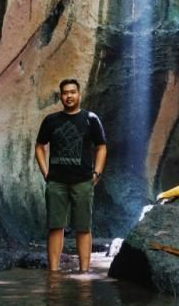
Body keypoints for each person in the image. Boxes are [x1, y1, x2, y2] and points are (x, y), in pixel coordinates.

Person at [35, 78, 107, 272]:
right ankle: (54, 272)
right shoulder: (51, 121)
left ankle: (84, 272)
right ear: (61, 96)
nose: (69, 96)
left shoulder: (90, 119)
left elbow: (101, 147)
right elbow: (40, 147)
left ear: (79, 95)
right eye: (65, 93)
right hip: (56, 181)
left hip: (83, 181)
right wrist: (45, 172)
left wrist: (97, 172)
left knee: (83, 227)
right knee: (55, 226)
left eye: (73, 92)